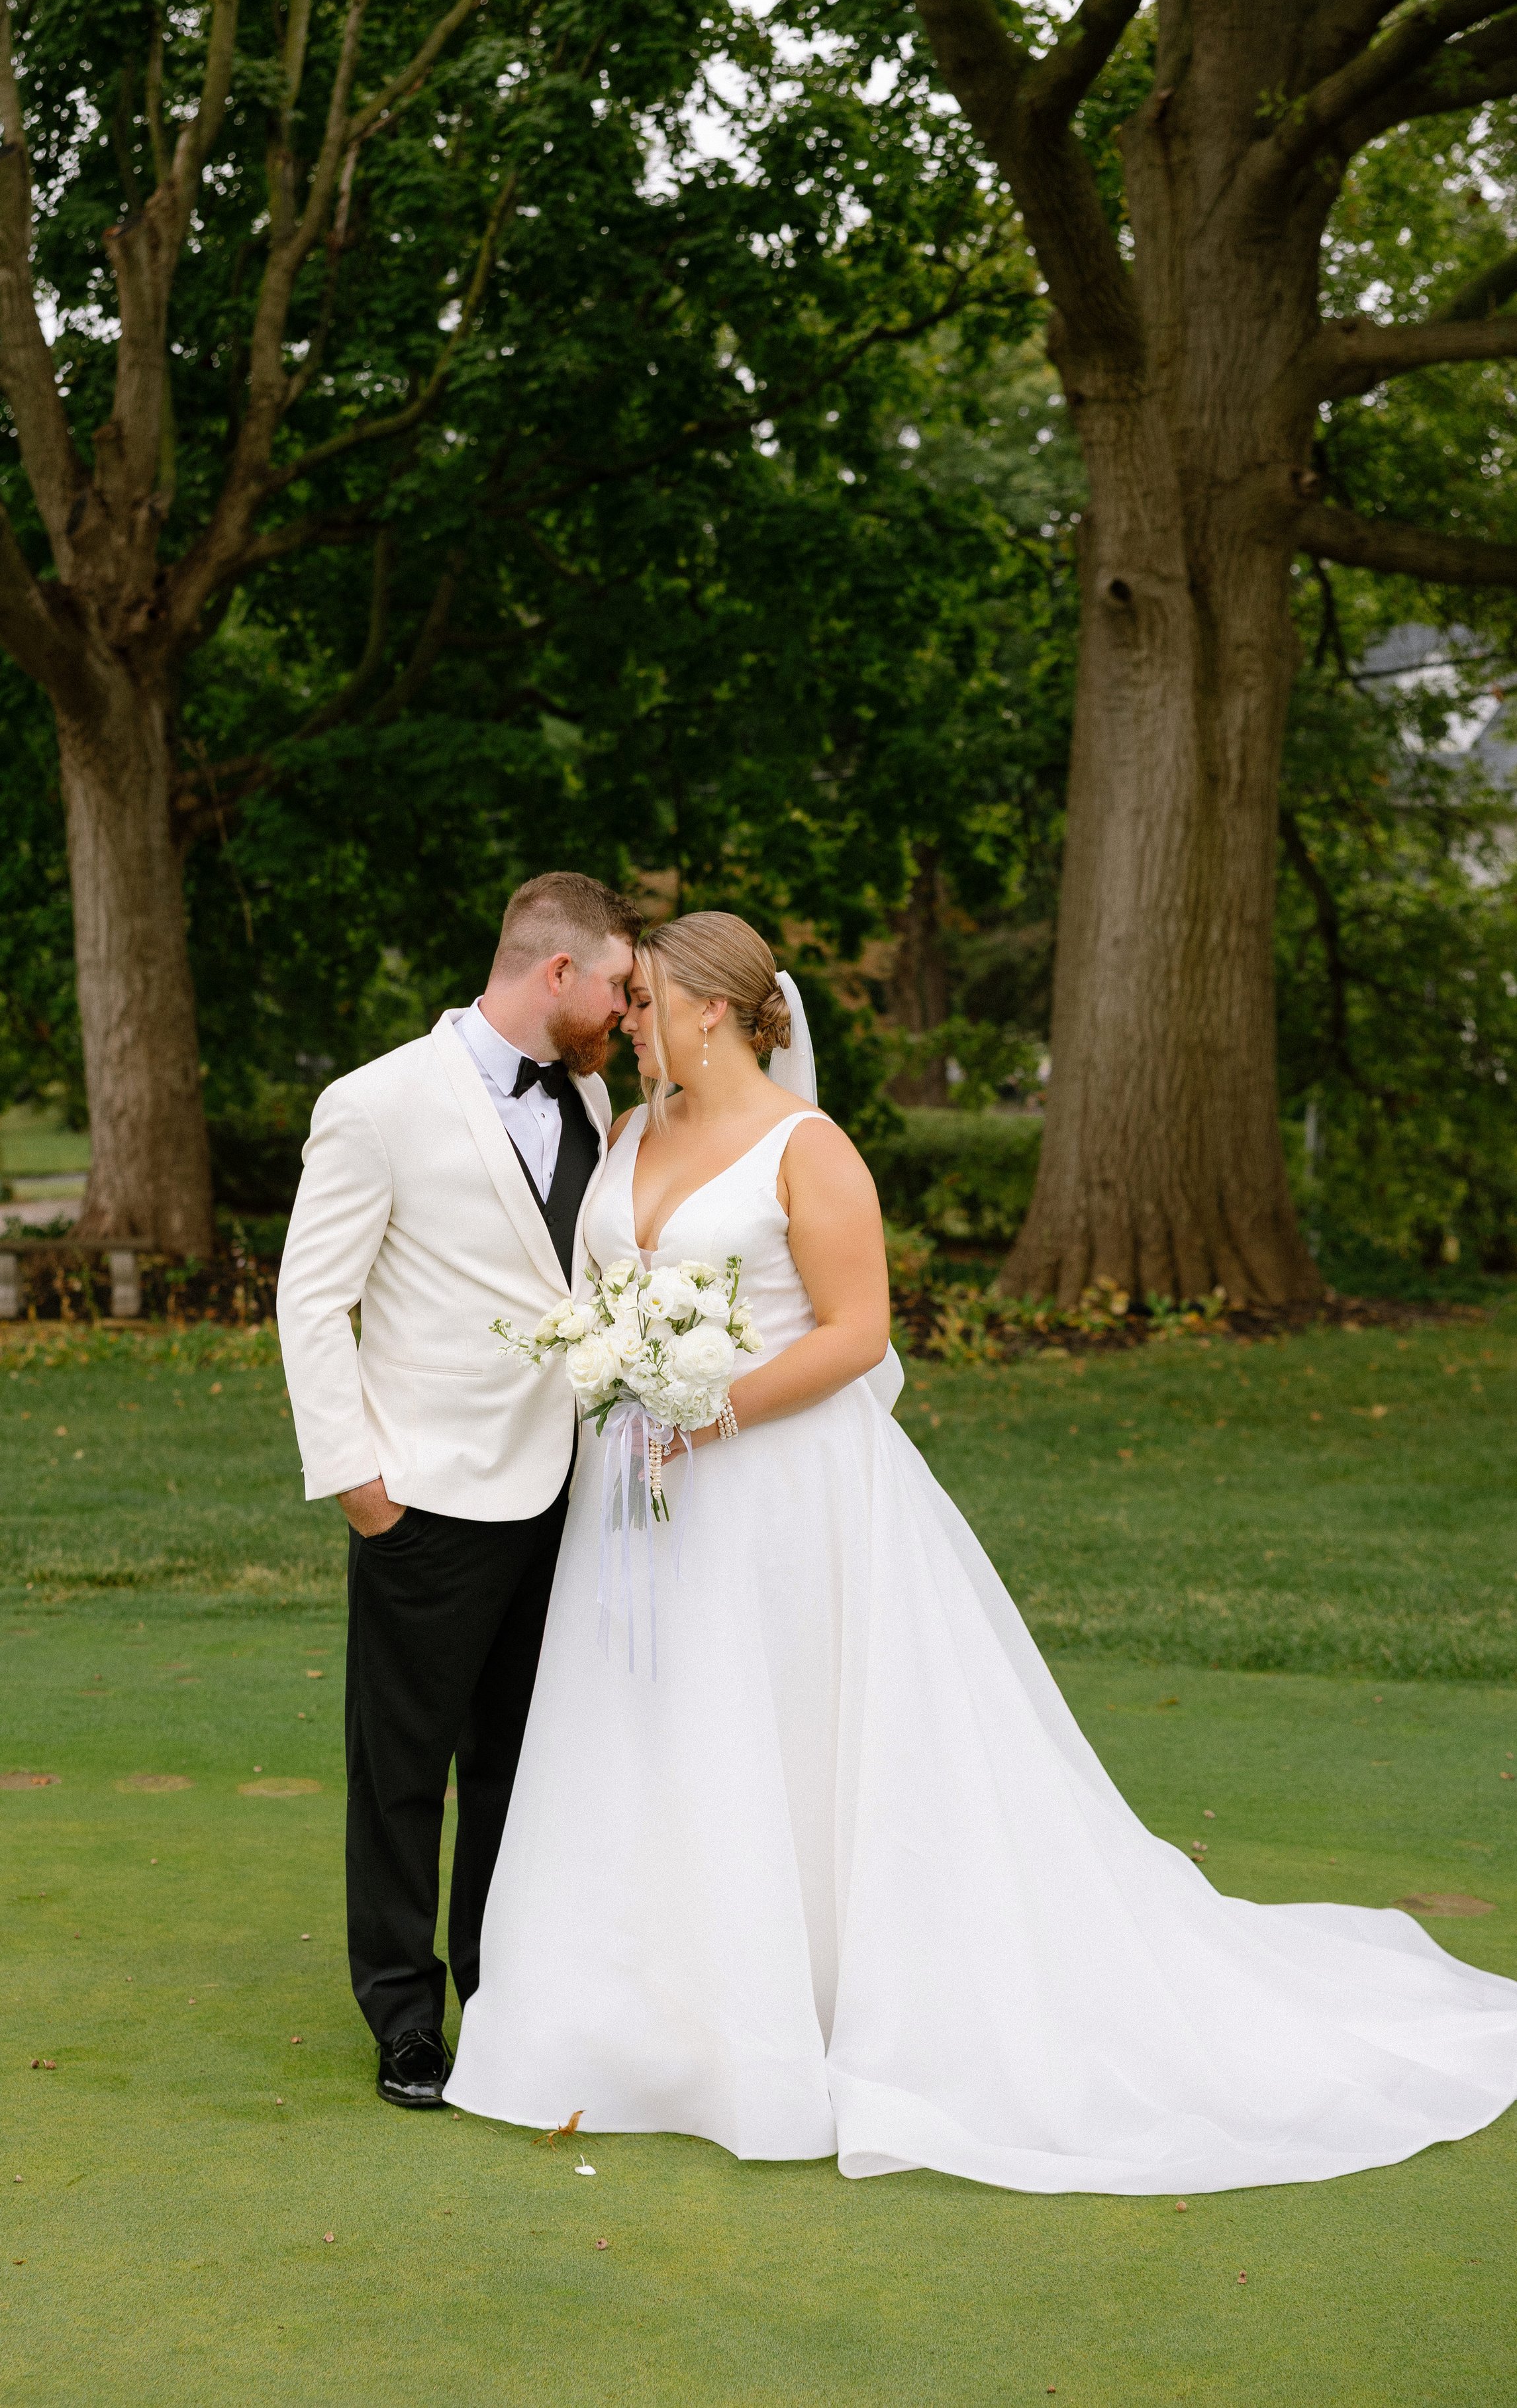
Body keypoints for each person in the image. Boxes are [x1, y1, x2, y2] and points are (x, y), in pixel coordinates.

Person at [445, 911, 1517, 2192]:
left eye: (651, 998)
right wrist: (624, 1377)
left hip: (781, 1497)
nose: (629, 1016)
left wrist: (711, 1406)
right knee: (655, 1731)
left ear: (715, 1010)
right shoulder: (628, 1130)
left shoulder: (811, 1148)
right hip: (641, 1506)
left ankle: (811, 2011)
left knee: (786, 1734)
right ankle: (642, 2027)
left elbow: (856, 1332)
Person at [276, 872, 640, 2109]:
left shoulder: (595, 1096)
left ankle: (496, 1990)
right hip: (426, 1499)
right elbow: (310, 1299)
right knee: (400, 1768)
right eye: (617, 986)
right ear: (557, 974)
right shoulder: (374, 1103)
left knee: (514, 1763)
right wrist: (361, 1485)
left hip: (566, 1494)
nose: (625, 1011)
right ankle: (400, 2009)